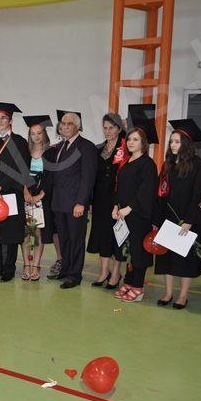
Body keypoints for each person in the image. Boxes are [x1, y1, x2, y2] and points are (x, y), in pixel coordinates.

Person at [154, 119, 201, 309]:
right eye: (171, 141)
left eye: (177, 142)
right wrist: (157, 219)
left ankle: (183, 294)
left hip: (186, 219)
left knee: (185, 259)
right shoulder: (167, 164)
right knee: (167, 258)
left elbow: (199, 195)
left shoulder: (197, 165)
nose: (173, 145)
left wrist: (190, 220)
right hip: (167, 217)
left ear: (186, 144)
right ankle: (168, 292)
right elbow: (160, 194)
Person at [113, 109, 159, 302]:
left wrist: (129, 208)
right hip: (124, 213)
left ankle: (138, 286)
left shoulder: (148, 164)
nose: (131, 142)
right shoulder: (126, 162)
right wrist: (116, 206)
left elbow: (145, 191)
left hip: (139, 214)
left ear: (143, 143)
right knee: (128, 249)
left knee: (139, 251)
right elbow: (120, 187)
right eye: (129, 139)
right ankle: (128, 281)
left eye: (135, 140)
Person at [0, 102, 30, 282]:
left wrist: (0, 187)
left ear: (10, 121)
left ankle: (9, 268)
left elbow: (21, 170)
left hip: (11, 193)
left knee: (10, 233)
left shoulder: (19, 142)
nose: (0, 121)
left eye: (4, 118)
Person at [49, 110, 97, 289]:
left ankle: (75, 275)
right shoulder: (61, 146)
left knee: (76, 239)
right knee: (64, 239)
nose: (65, 126)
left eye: (69, 124)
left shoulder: (86, 147)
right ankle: (66, 269)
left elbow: (87, 178)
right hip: (59, 202)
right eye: (63, 123)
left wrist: (81, 203)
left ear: (77, 126)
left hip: (75, 203)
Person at [86, 113, 127, 289]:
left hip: (118, 199)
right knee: (102, 234)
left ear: (119, 129)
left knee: (117, 237)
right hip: (100, 199)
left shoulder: (125, 148)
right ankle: (104, 271)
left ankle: (116, 273)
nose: (108, 131)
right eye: (105, 128)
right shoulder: (99, 149)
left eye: (111, 128)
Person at [20, 115, 55, 281]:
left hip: (43, 197)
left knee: (38, 231)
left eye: (39, 133)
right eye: (33, 133)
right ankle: (26, 264)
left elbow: (52, 177)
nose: (36, 136)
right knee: (26, 231)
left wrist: (41, 195)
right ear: (29, 135)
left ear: (44, 134)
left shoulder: (51, 153)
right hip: (26, 196)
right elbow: (21, 174)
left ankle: (36, 265)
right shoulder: (25, 153)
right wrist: (26, 192)